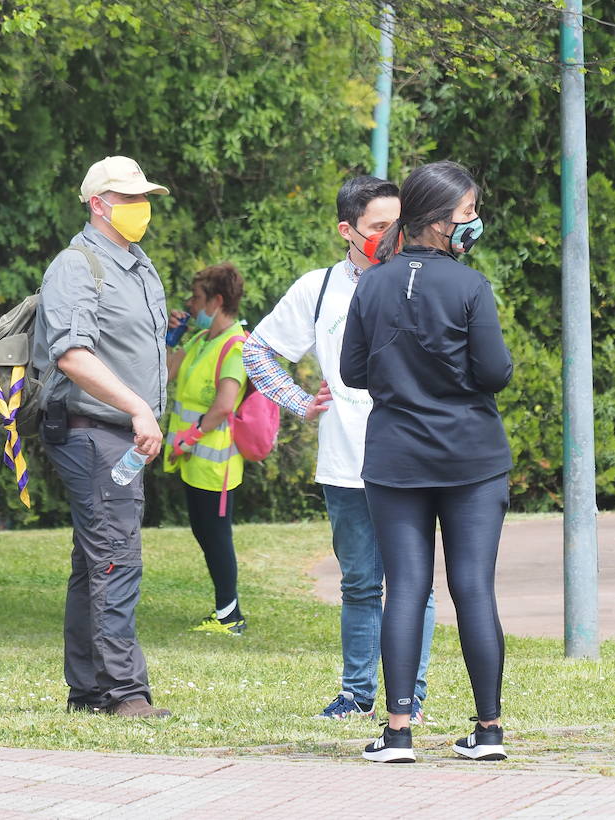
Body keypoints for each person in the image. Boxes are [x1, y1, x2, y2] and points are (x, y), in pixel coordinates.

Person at [243, 175, 436, 721]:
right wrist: (300, 400)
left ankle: (410, 696)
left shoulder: (423, 278)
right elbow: (256, 352)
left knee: (413, 586)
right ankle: (356, 693)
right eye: (378, 227)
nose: (390, 236)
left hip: (415, 460)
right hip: (345, 464)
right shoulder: (319, 289)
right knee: (358, 583)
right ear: (346, 230)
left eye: (398, 225)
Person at [340, 161, 514, 764]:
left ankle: (396, 734)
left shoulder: (373, 283)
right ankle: (488, 731)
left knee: (405, 589)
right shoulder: (470, 287)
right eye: (467, 213)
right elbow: (496, 372)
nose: (473, 222)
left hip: (396, 458)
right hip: (473, 458)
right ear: (440, 224)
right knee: (473, 589)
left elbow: (351, 373)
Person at [32, 155, 171, 719]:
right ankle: (123, 691)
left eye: (144, 199)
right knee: (116, 554)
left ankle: (90, 688)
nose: (141, 209)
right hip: (94, 433)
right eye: (129, 198)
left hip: (121, 437)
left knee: (96, 559)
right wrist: (139, 407)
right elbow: (71, 354)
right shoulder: (76, 265)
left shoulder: (137, 266)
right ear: (98, 203)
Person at [163, 263, 251, 634]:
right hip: (192, 460)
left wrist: (191, 436)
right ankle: (225, 610)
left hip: (215, 464)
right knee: (203, 531)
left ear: (216, 301)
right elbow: (164, 374)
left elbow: (224, 405)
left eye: (196, 298)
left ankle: (230, 616)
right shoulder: (199, 341)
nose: (189, 303)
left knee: (216, 535)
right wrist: (173, 336)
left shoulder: (236, 346)